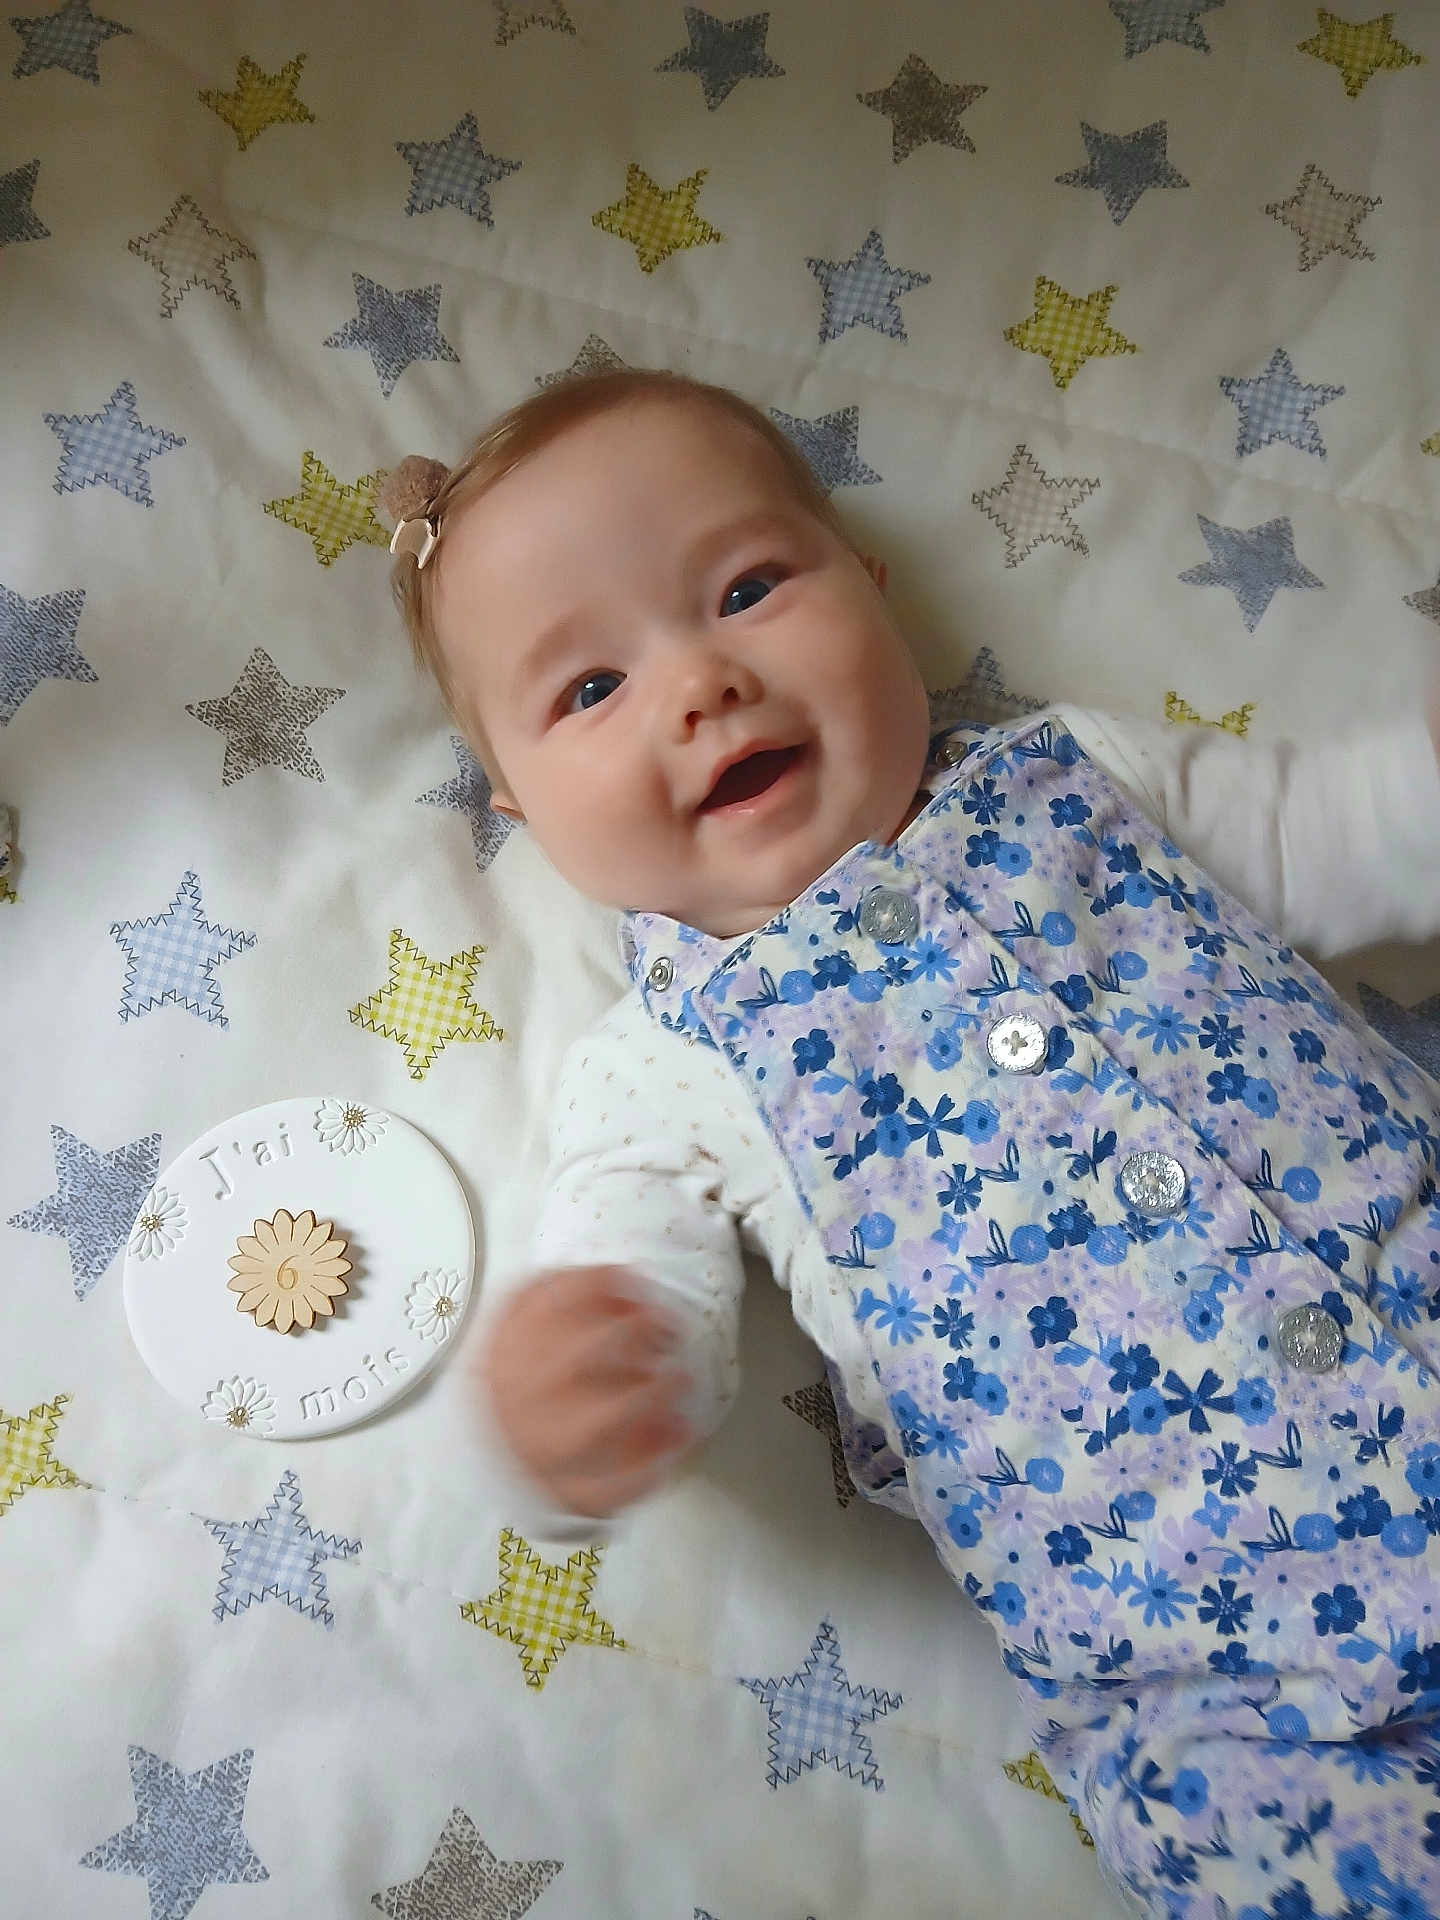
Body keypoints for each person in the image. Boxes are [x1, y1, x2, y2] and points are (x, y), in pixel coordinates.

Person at [382, 367, 1440, 1918]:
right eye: (589, 690)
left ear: (872, 594)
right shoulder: (661, 1069)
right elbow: (641, 1308)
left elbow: (1345, 830)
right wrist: (567, 1403)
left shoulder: (1081, 779)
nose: (699, 683)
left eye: (747, 589)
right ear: (524, 810)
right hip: (1223, 1688)